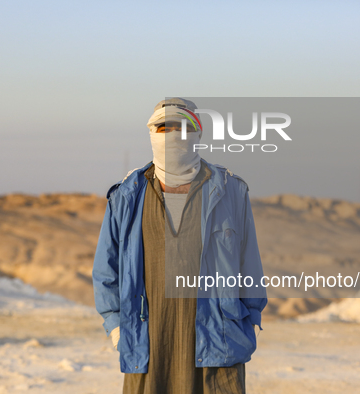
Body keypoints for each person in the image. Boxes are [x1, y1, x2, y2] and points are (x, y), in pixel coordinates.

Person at [92, 97, 267, 394]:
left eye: (183, 127)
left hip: (217, 341)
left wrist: (248, 322)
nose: (173, 135)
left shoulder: (230, 191)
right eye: (164, 127)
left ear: (198, 134)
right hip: (149, 340)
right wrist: (116, 326)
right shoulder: (127, 196)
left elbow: (249, 264)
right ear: (151, 134)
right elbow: (105, 269)